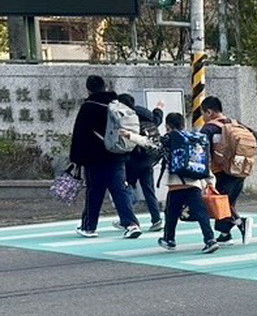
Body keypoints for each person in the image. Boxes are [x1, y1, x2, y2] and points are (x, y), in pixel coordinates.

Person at [68, 75, 140, 239]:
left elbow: (80, 134)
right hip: (117, 155)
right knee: (120, 191)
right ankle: (131, 224)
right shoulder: (116, 104)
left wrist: (77, 159)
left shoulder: (89, 107)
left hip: (95, 158)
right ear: (104, 87)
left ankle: (89, 227)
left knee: (94, 193)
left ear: (88, 89)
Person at [199, 95, 257, 244]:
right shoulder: (235, 123)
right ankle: (225, 235)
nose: (203, 117)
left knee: (220, 203)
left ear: (210, 112)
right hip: (240, 169)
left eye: (203, 113)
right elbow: (254, 135)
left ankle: (240, 222)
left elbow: (202, 151)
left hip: (221, 172)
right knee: (228, 202)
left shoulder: (208, 129)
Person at [153, 112, 219, 255]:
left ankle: (169, 239)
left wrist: (131, 136)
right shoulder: (195, 138)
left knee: (171, 214)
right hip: (194, 183)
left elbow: (150, 144)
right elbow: (204, 161)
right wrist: (210, 182)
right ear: (183, 124)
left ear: (167, 126)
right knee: (202, 213)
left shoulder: (169, 139)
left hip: (176, 185)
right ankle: (210, 240)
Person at [114, 93, 163, 233]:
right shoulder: (144, 113)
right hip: (149, 158)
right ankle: (156, 219)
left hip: (133, 159)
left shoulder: (124, 117)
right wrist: (159, 109)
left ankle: (128, 219)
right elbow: (157, 120)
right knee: (148, 189)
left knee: (127, 188)